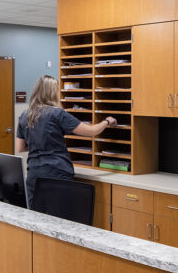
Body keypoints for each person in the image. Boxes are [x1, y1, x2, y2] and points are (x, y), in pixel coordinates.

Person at [16, 75, 117, 204]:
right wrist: (107, 121)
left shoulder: (25, 115)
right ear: (52, 92)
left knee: (36, 214)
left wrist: (40, 143)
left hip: (34, 172)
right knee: (59, 215)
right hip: (57, 172)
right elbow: (90, 131)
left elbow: (20, 147)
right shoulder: (57, 113)